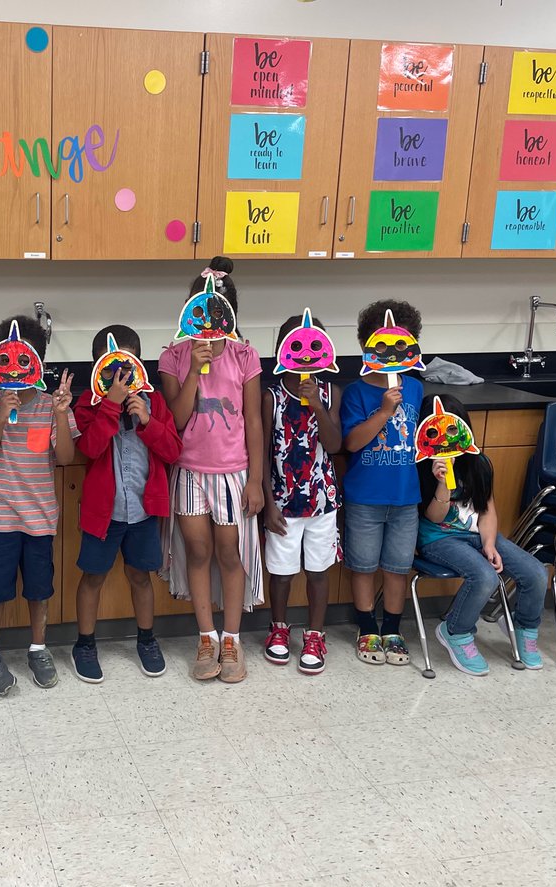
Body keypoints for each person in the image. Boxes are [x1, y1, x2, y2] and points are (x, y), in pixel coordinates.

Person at [159, 257, 265, 683]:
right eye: (197, 310)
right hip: (190, 472)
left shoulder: (245, 355)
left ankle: (232, 640)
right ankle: (205, 636)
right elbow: (177, 419)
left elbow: (254, 420)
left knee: (229, 552)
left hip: (233, 472)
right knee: (198, 552)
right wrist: (196, 369)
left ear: (229, 317)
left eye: (214, 312)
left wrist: (256, 479)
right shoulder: (173, 357)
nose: (205, 322)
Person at [0, 316, 78, 695]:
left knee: (39, 588)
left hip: (40, 516)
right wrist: (2, 416)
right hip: (0, 514)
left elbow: (65, 457)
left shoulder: (53, 405)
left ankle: (38, 648)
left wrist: (63, 415)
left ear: (38, 360)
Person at [72, 325, 182, 683]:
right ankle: (85, 644)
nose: (120, 377)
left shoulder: (154, 401)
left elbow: (172, 451)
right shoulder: (87, 405)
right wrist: (109, 407)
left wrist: (147, 420)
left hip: (143, 511)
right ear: (98, 367)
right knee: (93, 576)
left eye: (127, 368)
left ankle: (147, 639)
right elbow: (88, 448)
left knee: (140, 575)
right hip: (105, 513)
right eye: (111, 370)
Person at [416, 394, 545, 674]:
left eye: (453, 429)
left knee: (535, 572)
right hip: (438, 538)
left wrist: (489, 545)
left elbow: (487, 510)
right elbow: (433, 517)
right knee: (484, 576)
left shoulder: (479, 463)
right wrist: (442, 484)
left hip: (477, 534)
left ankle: (524, 628)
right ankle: (456, 632)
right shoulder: (422, 467)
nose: (447, 437)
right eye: (438, 430)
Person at [340, 300, 425, 666]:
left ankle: (392, 628)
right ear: (365, 345)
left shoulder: (416, 389)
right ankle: (366, 628)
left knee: (397, 567)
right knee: (362, 565)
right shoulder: (356, 392)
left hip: (406, 498)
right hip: (365, 498)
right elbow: (352, 443)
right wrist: (385, 411)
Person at [261, 313, 342, 675]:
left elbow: (335, 443)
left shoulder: (329, 392)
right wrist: (267, 501)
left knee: (318, 572)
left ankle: (315, 634)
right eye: (297, 347)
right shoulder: (271, 396)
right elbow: (260, 451)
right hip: (282, 501)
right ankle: (278, 629)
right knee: (281, 573)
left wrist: (318, 406)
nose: (306, 356)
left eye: (315, 347)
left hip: (322, 500)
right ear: (282, 350)